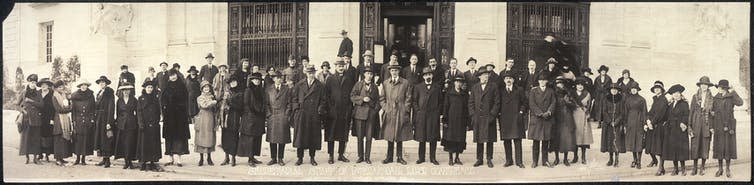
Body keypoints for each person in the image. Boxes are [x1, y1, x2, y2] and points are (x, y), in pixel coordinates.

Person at [292, 65, 328, 166]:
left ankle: (312, 158)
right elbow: (294, 98)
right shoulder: (299, 84)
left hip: (314, 114)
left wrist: (319, 109)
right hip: (302, 114)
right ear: (306, 73)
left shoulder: (320, 85)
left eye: (312, 73)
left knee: (313, 137)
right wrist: (296, 109)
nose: (311, 74)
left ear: (315, 73)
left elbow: (323, 100)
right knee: (300, 137)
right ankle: (300, 158)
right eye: (309, 73)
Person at [324, 60, 356, 164]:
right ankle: (331, 155)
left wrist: (349, 109)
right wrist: (330, 109)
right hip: (333, 112)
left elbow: (352, 95)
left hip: (344, 111)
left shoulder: (349, 79)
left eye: (342, 66)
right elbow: (326, 95)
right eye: (339, 66)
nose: (341, 68)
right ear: (335, 67)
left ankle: (341, 154)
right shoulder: (330, 79)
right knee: (331, 134)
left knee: (343, 134)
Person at [380, 64, 413, 165]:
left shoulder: (405, 83)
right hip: (389, 111)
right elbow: (382, 98)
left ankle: (399, 157)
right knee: (389, 134)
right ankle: (389, 157)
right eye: (392, 70)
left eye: (396, 70)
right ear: (390, 72)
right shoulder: (386, 83)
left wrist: (405, 109)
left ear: (399, 71)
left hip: (400, 111)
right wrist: (385, 107)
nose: (394, 72)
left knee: (400, 134)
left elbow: (408, 97)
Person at [711, 79, 743, 178]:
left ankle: (728, 169)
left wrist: (734, 91)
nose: (719, 89)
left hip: (729, 126)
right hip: (718, 126)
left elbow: (740, 103)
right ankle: (720, 169)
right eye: (719, 87)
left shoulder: (731, 97)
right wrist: (712, 126)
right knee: (719, 147)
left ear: (725, 88)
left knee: (728, 147)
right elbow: (712, 113)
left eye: (721, 87)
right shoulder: (715, 98)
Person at [469, 68, 500, 168]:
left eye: (487, 74)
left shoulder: (493, 86)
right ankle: (479, 159)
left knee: (489, 139)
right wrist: (473, 115)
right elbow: (471, 102)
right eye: (483, 74)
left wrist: (492, 115)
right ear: (479, 77)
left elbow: (497, 102)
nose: (486, 76)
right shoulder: (474, 87)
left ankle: (489, 159)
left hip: (489, 117)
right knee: (479, 139)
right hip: (478, 118)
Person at [412, 67, 443, 165]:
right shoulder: (418, 87)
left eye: (429, 74)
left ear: (432, 75)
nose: (428, 76)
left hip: (433, 116)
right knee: (422, 137)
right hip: (422, 115)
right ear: (423, 77)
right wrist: (418, 111)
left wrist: (437, 112)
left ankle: (433, 158)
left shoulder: (437, 87)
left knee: (432, 137)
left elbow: (440, 102)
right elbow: (414, 101)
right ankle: (421, 158)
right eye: (426, 75)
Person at [350, 67, 380, 164]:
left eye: (371, 74)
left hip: (371, 115)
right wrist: (362, 99)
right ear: (364, 75)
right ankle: (360, 156)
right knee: (360, 136)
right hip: (359, 114)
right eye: (368, 73)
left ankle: (367, 157)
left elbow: (378, 101)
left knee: (369, 137)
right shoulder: (358, 85)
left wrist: (375, 111)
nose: (369, 76)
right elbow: (352, 96)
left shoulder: (375, 87)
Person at [659, 84, 690, 176]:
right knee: (673, 149)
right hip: (671, 129)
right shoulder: (671, 104)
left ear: (680, 94)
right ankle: (675, 168)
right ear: (672, 95)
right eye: (673, 93)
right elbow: (667, 116)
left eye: (677, 93)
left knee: (680, 149)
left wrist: (683, 123)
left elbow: (686, 115)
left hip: (680, 129)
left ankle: (683, 168)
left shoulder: (684, 104)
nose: (675, 95)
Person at [162, 69, 190, 167]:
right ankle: (170, 158)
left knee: (178, 135)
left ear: (177, 75)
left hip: (179, 115)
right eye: (171, 75)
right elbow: (163, 99)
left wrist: (181, 108)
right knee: (169, 136)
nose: (173, 77)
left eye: (174, 75)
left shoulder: (182, 86)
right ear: (169, 77)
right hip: (169, 116)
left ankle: (178, 158)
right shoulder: (166, 86)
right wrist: (165, 108)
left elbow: (186, 99)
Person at [498, 72, 527, 168]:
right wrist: (499, 115)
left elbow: (524, 103)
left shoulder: (519, 90)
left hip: (516, 119)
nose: (508, 80)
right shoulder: (501, 91)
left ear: (513, 80)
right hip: (505, 119)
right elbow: (498, 104)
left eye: (510, 78)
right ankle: (509, 160)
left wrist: (521, 112)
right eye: (506, 78)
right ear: (504, 80)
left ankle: (519, 161)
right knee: (507, 141)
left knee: (517, 140)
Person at [527, 73, 556, 168]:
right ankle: (535, 161)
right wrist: (539, 113)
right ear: (538, 81)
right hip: (537, 119)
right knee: (536, 141)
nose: (542, 82)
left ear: (547, 81)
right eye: (541, 80)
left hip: (547, 119)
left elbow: (553, 102)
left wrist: (549, 112)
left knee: (545, 141)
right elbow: (531, 104)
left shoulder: (550, 91)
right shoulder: (533, 91)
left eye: (544, 80)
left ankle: (545, 161)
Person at [264, 71, 292, 166]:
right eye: (277, 77)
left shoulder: (287, 89)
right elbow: (266, 104)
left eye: (280, 78)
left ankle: (280, 158)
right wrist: (269, 115)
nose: (279, 79)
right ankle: (273, 158)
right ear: (273, 79)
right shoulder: (268, 89)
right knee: (272, 139)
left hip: (282, 116)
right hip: (272, 116)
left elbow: (289, 103)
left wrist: (286, 115)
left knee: (282, 139)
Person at [238, 73, 266, 167]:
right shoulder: (248, 90)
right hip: (250, 118)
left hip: (259, 118)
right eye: (255, 80)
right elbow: (246, 104)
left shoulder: (261, 90)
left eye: (258, 80)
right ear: (252, 81)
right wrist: (255, 112)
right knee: (250, 139)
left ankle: (253, 157)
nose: (257, 81)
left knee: (257, 138)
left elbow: (264, 102)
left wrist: (262, 110)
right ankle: (250, 158)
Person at [689, 76, 715, 176]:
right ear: (700, 85)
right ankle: (694, 167)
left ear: (708, 86)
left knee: (705, 145)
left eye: (706, 84)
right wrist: (690, 125)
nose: (704, 86)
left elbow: (714, 113)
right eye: (702, 84)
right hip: (696, 123)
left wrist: (712, 125)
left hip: (706, 123)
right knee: (695, 145)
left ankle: (702, 167)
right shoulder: (695, 96)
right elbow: (691, 111)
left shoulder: (712, 98)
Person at [136, 79, 163, 172]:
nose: (150, 89)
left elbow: (158, 111)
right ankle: (143, 163)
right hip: (144, 125)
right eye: (148, 87)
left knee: (153, 144)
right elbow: (139, 112)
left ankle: (152, 162)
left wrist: (157, 121)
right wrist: (141, 123)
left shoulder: (155, 98)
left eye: (151, 87)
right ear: (145, 88)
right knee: (144, 144)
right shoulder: (141, 98)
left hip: (154, 125)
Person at [17, 74, 44, 165]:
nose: (33, 84)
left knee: (36, 138)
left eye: (35, 82)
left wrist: (32, 101)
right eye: (32, 82)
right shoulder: (24, 92)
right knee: (26, 139)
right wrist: (22, 110)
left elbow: (41, 105)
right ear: (28, 82)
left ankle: (35, 158)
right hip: (26, 119)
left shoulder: (38, 93)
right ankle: (27, 158)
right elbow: (17, 104)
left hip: (36, 119)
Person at [442, 77, 469, 166]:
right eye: (457, 82)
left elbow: (466, 108)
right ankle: (450, 158)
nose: (458, 84)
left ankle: (457, 158)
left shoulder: (464, 94)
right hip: (451, 120)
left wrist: (468, 122)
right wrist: (445, 120)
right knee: (450, 139)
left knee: (459, 139)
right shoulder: (449, 93)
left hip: (461, 120)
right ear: (454, 83)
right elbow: (445, 107)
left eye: (460, 82)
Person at [598, 83, 626, 168]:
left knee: (617, 141)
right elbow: (604, 111)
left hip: (617, 123)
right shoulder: (606, 99)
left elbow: (622, 112)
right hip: (608, 124)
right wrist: (610, 121)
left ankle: (616, 159)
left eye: (615, 89)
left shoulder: (621, 99)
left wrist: (616, 121)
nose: (614, 91)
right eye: (612, 89)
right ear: (610, 90)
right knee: (609, 141)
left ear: (618, 90)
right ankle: (610, 159)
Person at [70, 80, 96, 165]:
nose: (84, 87)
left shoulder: (90, 95)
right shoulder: (75, 96)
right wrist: (73, 120)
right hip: (78, 120)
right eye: (82, 85)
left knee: (85, 140)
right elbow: (73, 110)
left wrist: (92, 119)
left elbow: (93, 108)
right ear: (80, 86)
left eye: (85, 85)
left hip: (87, 120)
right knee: (78, 140)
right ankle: (77, 159)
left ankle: (83, 159)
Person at [192, 80, 217, 166]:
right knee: (201, 137)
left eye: (208, 87)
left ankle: (209, 158)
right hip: (202, 118)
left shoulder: (212, 96)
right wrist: (213, 102)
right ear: (202, 89)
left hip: (210, 118)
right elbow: (204, 105)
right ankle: (201, 158)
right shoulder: (199, 97)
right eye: (204, 87)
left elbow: (214, 107)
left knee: (209, 137)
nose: (206, 88)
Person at [220, 75, 244, 166]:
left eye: (235, 82)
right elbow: (222, 103)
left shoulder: (240, 93)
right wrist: (222, 104)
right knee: (225, 137)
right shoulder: (226, 92)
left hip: (234, 117)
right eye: (231, 82)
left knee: (233, 137)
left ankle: (233, 157)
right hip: (225, 118)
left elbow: (240, 106)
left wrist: (230, 103)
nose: (233, 83)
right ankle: (226, 157)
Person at [553, 77, 577, 166]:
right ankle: (556, 158)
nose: (560, 85)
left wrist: (568, 102)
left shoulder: (568, 93)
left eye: (561, 83)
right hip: (556, 118)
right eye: (558, 83)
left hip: (567, 118)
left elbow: (574, 105)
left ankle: (565, 159)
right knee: (556, 139)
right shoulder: (553, 93)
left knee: (566, 139)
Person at [92, 76, 116, 168]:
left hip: (106, 118)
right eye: (100, 82)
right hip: (99, 118)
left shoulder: (109, 93)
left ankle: (108, 160)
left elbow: (111, 108)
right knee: (100, 139)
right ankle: (104, 159)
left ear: (106, 84)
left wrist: (109, 122)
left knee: (106, 139)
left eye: (103, 82)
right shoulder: (99, 93)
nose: (101, 84)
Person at [114, 82, 138, 169]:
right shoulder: (119, 100)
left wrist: (136, 122)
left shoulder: (134, 100)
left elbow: (137, 112)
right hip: (122, 125)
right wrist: (118, 122)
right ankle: (126, 161)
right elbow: (118, 113)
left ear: (130, 91)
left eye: (127, 90)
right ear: (122, 91)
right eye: (124, 90)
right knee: (124, 143)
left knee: (130, 142)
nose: (126, 92)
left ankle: (130, 161)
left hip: (131, 124)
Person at [624, 83, 647, 169]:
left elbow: (645, 112)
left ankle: (639, 162)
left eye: (635, 88)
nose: (633, 90)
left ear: (637, 90)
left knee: (639, 142)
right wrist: (626, 124)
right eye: (632, 88)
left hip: (639, 122)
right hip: (630, 122)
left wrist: (644, 123)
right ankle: (635, 159)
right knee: (632, 142)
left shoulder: (642, 99)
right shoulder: (628, 100)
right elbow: (625, 112)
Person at [647, 81, 669, 172]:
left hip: (660, 126)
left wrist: (651, 123)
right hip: (652, 125)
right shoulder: (655, 99)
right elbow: (650, 112)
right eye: (655, 88)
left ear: (661, 90)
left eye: (658, 88)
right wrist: (648, 121)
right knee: (648, 144)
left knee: (659, 147)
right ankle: (654, 160)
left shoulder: (663, 100)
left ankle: (661, 167)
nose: (656, 90)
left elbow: (659, 114)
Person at [51, 80, 73, 166]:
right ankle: (57, 159)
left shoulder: (64, 96)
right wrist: (70, 109)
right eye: (59, 87)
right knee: (58, 139)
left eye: (62, 87)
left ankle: (62, 158)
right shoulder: (54, 97)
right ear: (56, 88)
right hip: (58, 119)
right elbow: (58, 109)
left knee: (63, 140)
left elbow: (67, 104)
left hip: (64, 118)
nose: (61, 88)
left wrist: (69, 106)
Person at [38, 78, 56, 162]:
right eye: (42, 84)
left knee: (48, 136)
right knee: (39, 136)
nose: (43, 86)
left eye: (45, 84)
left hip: (48, 118)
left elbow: (54, 108)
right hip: (38, 118)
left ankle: (47, 154)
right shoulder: (37, 93)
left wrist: (52, 118)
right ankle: (40, 154)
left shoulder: (52, 94)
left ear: (48, 86)